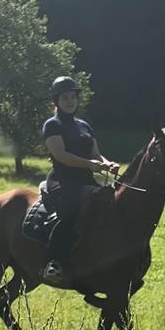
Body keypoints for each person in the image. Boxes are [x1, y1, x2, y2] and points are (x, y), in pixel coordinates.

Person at [41, 76, 119, 287]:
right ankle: (55, 262)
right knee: (71, 214)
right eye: (65, 97)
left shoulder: (84, 125)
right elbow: (61, 155)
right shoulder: (52, 125)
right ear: (57, 101)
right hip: (62, 181)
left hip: (86, 180)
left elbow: (96, 153)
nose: (70, 101)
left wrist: (108, 163)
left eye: (73, 97)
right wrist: (91, 165)